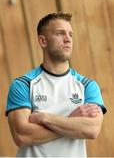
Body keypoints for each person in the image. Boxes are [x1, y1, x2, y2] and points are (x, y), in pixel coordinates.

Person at [6, 12, 107, 157]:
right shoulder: (23, 85)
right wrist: (73, 122)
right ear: (43, 41)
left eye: (70, 34)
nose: (68, 39)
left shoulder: (88, 85)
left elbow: (92, 130)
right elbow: (22, 136)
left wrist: (44, 118)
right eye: (60, 33)